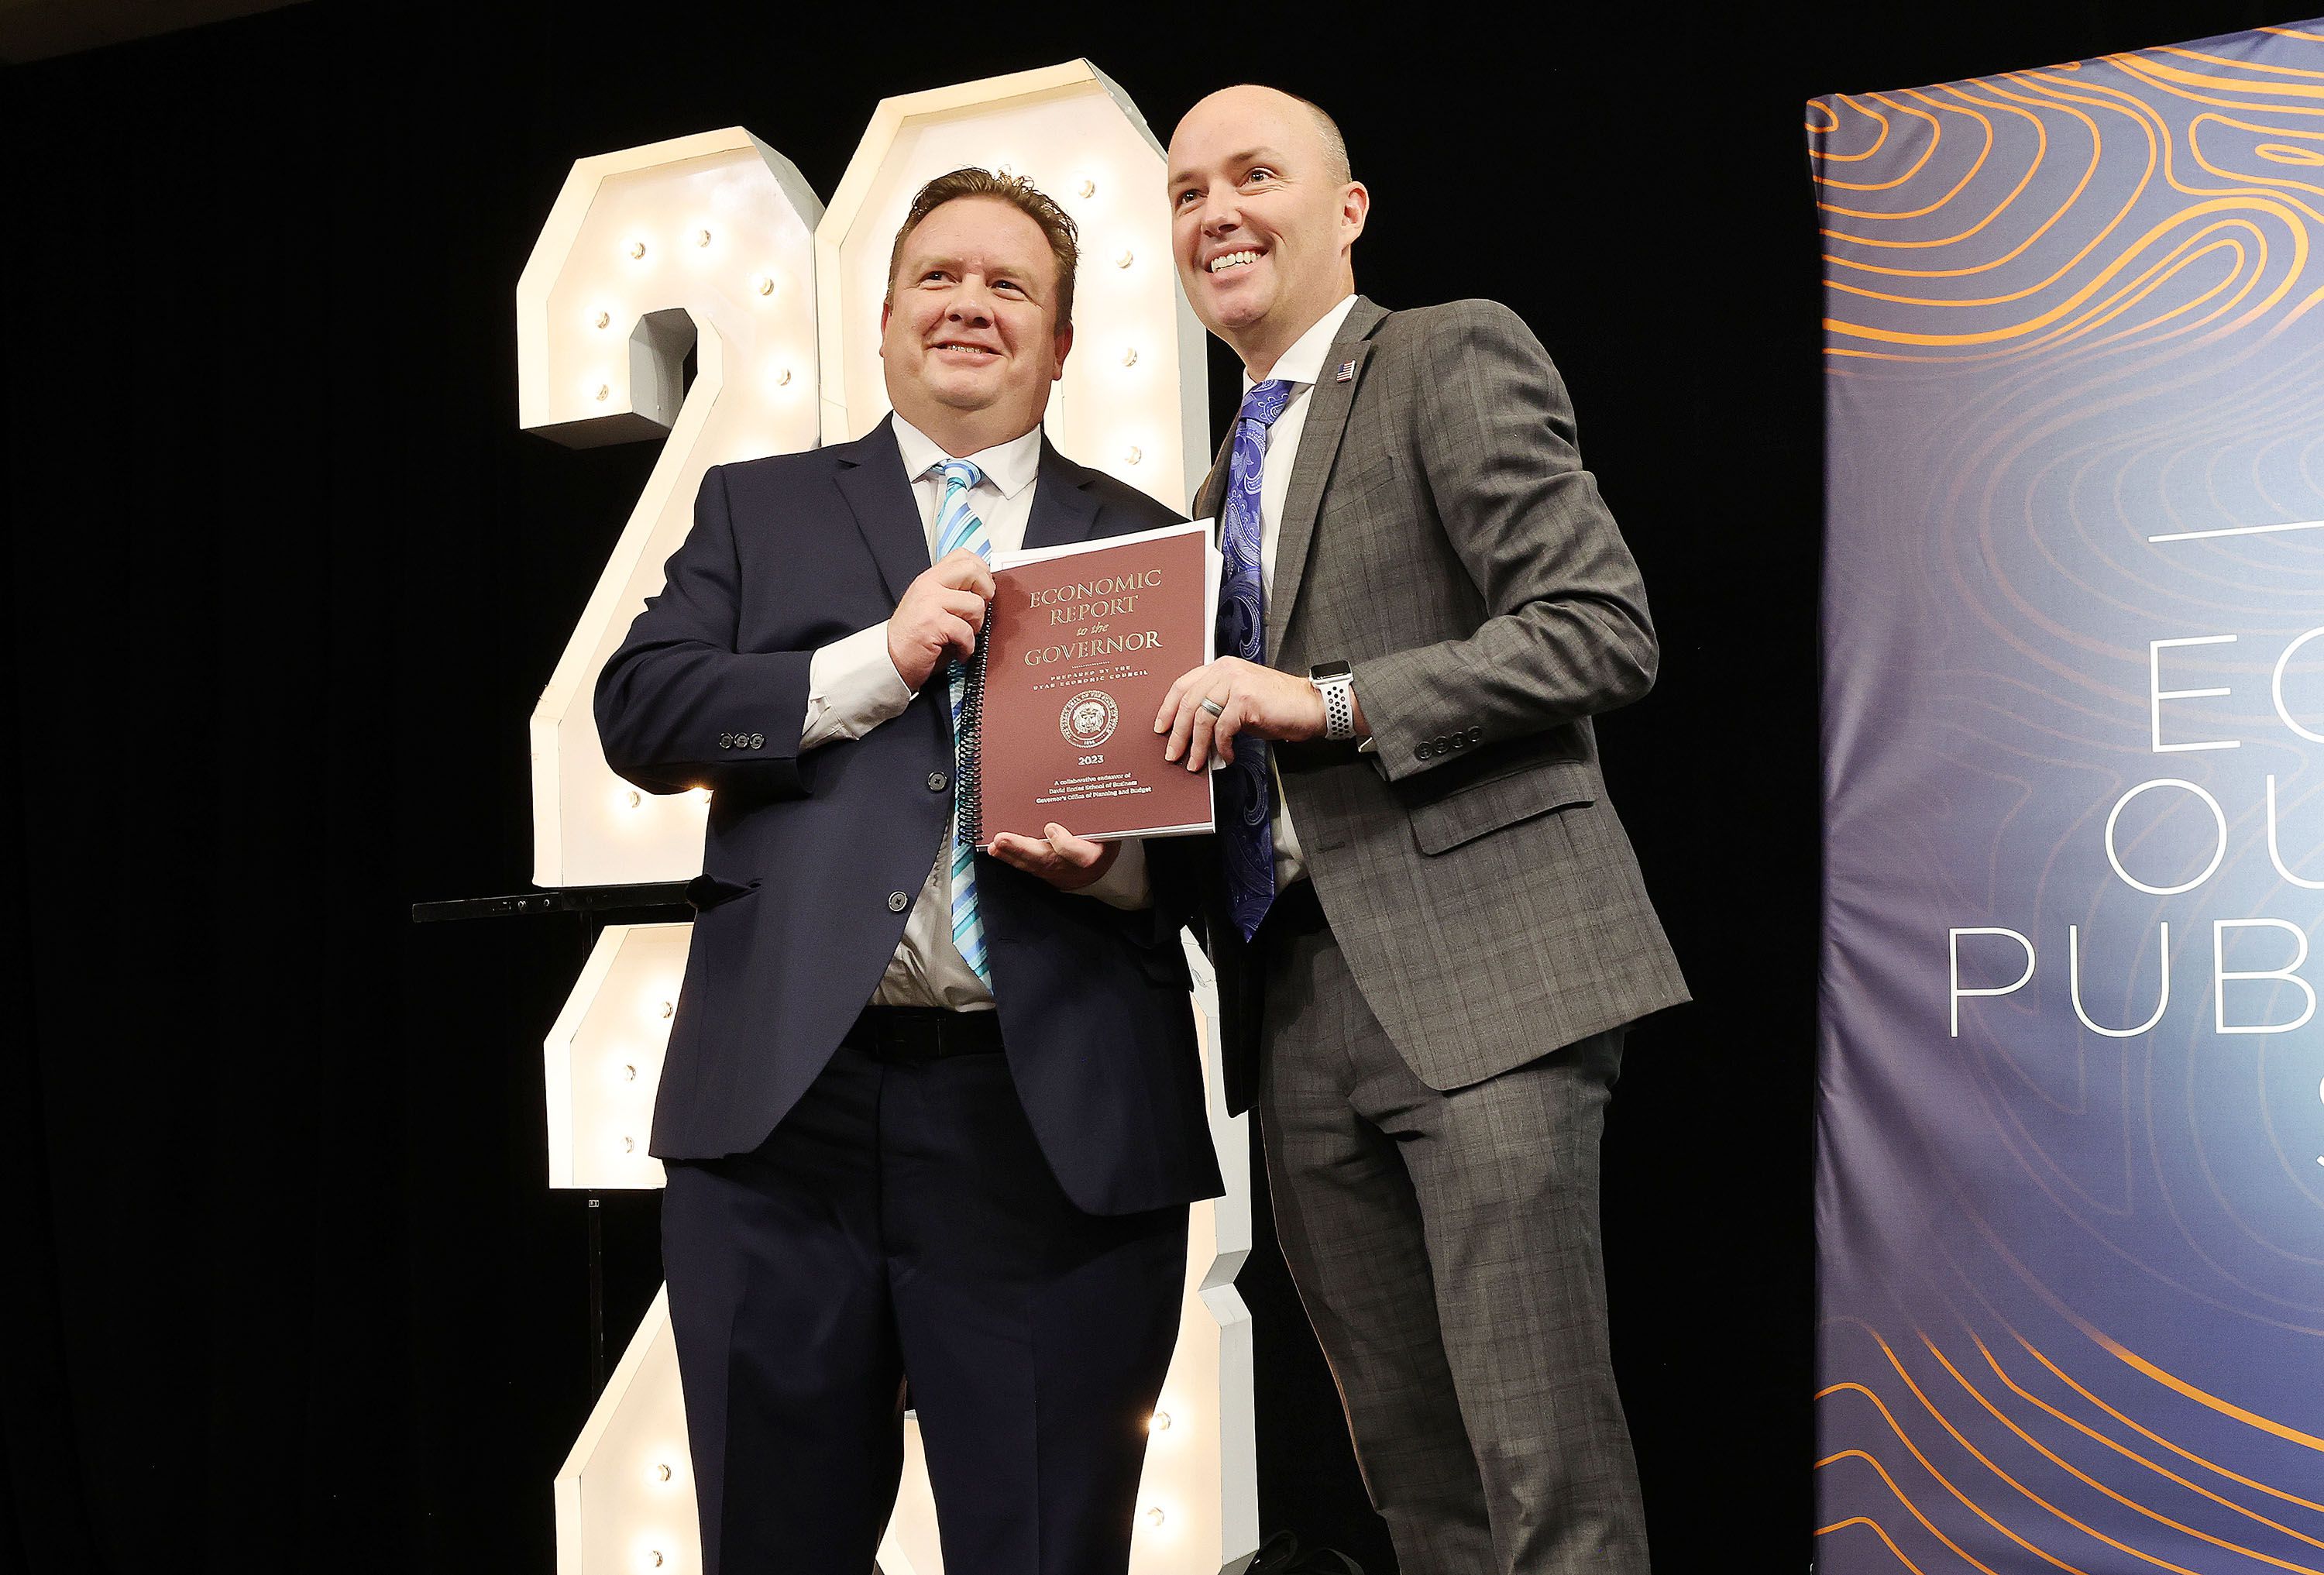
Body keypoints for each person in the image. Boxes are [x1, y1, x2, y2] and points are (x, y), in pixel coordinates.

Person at [595, 168, 1220, 1575]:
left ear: (1063, 345)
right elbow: (639, 710)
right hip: (781, 1126)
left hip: (1047, 1127)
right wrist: (870, 663)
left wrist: (1114, 869)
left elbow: (1223, 845)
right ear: (882, 321)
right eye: (939, 276)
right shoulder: (756, 510)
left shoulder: (1152, 544)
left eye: (1012, 286)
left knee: (1049, 1548)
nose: (970, 305)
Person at [1154, 86, 1690, 1573]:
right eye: (1189, 191)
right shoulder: (1211, 498)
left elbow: (1600, 630)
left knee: (1542, 1464)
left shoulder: (1446, 352)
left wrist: (1322, 702)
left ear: (1349, 209)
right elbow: (1225, 754)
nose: (1218, 213)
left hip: (1488, 976)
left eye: (1256, 175)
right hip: (1296, 998)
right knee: (1414, 1477)